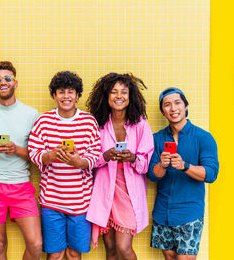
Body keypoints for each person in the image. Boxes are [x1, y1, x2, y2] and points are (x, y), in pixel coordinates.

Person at [28, 71, 101, 260]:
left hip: (81, 202)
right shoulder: (43, 122)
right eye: (61, 92)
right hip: (51, 201)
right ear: (54, 95)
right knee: (55, 255)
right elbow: (34, 153)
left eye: (71, 92)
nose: (66, 96)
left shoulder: (89, 122)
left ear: (77, 96)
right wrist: (49, 156)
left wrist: (79, 162)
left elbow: (95, 154)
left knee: (74, 254)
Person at [0, 61, 42, 260]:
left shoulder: (31, 114)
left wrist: (17, 150)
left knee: (36, 244)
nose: (2, 82)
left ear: (15, 82)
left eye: (7, 78)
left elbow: (38, 155)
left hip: (21, 184)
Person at [85, 73, 154, 260]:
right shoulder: (97, 124)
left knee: (124, 247)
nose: (119, 96)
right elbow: (88, 160)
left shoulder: (140, 125)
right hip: (105, 191)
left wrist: (132, 158)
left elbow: (146, 163)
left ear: (130, 97)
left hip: (128, 194)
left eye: (124, 92)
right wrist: (106, 156)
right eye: (114, 92)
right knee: (111, 248)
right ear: (106, 96)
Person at [147, 87, 219, 259]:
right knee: (169, 257)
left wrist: (185, 166)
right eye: (167, 105)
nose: (173, 108)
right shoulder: (156, 138)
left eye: (177, 103)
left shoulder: (204, 137)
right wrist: (162, 165)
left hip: (189, 213)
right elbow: (151, 175)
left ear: (186, 107)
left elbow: (211, 174)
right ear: (163, 112)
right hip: (162, 212)